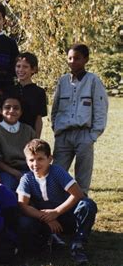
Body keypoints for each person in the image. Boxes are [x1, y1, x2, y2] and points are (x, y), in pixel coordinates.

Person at [17, 139, 98, 265]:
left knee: (88, 205)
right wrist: (47, 217)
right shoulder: (27, 178)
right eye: (31, 160)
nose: (35, 164)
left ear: (50, 159)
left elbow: (78, 194)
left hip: (64, 214)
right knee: (24, 221)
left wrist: (56, 212)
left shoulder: (57, 172)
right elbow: (22, 205)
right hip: (43, 219)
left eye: (40, 159)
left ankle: (78, 244)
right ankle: (42, 244)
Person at [51, 44, 108, 194]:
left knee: (82, 176)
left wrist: (93, 135)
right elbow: (55, 108)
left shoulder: (93, 81)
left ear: (86, 59)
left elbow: (101, 108)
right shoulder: (63, 81)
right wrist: (56, 129)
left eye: (77, 58)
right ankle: (58, 206)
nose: (72, 61)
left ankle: (81, 208)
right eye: (69, 58)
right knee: (57, 172)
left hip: (84, 135)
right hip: (63, 135)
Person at [0, 95, 36, 191]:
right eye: (7, 107)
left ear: (21, 112)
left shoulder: (28, 130)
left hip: (29, 169)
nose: (12, 111)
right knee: (7, 190)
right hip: (6, 171)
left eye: (16, 108)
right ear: (0, 111)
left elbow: (36, 153)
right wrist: (15, 172)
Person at [12, 52, 47, 138]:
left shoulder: (39, 92)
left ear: (33, 69)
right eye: (18, 66)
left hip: (29, 135)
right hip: (10, 136)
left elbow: (38, 119)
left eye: (25, 67)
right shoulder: (10, 90)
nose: (21, 70)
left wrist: (36, 138)